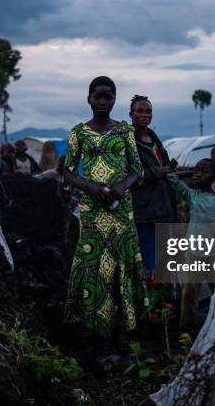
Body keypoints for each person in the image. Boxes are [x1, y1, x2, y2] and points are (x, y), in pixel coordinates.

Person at [63, 76, 149, 354]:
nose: (103, 102)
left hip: (120, 211)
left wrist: (122, 187)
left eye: (108, 97)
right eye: (98, 97)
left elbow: (138, 170)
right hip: (92, 211)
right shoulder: (79, 133)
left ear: (114, 100)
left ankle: (121, 330)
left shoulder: (124, 132)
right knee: (94, 267)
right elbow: (66, 171)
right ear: (88, 98)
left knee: (121, 264)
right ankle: (93, 329)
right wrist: (89, 187)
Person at [167, 159, 215, 334]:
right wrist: (189, 172)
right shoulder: (192, 195)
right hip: (194, 253)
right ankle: (187, 331)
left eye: (203, 171)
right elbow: (171, 178)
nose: (198, 174)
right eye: (196, 171)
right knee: (189, 293)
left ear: (214, 177)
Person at [129, 95, 178, 306]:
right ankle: (151, 307)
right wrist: (154, 172)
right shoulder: (128, 142)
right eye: (140, 111)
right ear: (131, 114)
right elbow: (128, 176)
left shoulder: (154, 138)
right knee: (150, 260)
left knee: (164, 260)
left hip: (164, 208)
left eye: (148, 111)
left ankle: (165, 304)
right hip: (146, 211)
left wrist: (171, 171)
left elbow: (164, 170)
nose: (144, 115)